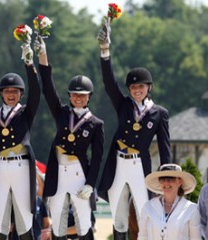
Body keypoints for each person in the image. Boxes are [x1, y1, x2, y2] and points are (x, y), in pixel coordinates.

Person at [97, 19, 171, 239]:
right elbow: (109, 83)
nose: (137, 90)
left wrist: (167, 175)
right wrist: (105, 51)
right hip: (119, 163)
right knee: (118, 218)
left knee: (144, 214)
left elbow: (165, 147)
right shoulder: (123, 105)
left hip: (140, 165)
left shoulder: (159, 113)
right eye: (133, 87)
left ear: (148, 88)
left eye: (141, 86)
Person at [35, 37, 104, 239]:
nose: (78, 98)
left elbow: (98, 157)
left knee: (83, 224)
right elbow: (48, 89)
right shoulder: (62, 113)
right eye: (74, 94)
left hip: (79, 174)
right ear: (70, 95)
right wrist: (43, 55)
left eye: (82, 95)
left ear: (89, 96)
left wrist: (90, 184)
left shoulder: (96, 124)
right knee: (58, 223)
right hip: (58, 171)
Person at [0, 43, 40, 240]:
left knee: (24, 222)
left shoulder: (25, 113)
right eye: (7, 91)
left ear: (21, 93)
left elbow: (37, 91)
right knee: (0, 222)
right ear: (2, 94)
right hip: (0, 169)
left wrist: (29, 64)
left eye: (15, 91)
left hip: (21, 168)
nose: (11, 95)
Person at [138, 163, 201, 239]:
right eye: (162, 179)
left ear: (180, 182)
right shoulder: (148, 207)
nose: (166, 183)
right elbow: (142, 237)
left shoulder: (191, 209)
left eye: (171, 179)